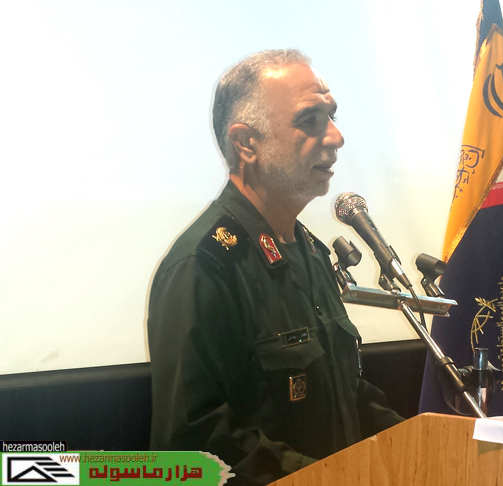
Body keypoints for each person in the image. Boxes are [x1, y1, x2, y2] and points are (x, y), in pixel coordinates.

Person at [147, 49, 403, 485]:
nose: (336, 137)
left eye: (332, 116)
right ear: (246, 143)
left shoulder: (310, 251)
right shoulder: (203, 266)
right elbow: (195, 444)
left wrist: (424, 442)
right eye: (310, 120)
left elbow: (347, 395)